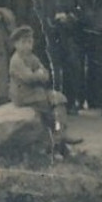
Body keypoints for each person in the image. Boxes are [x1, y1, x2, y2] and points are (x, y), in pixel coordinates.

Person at [8, 25, 71, 154]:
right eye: (23, 42)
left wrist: (39, 74)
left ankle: (61, 135)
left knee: (59, 99)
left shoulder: (32, 57)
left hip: (35, 93)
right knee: (49, 109)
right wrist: (38, 74)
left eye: (30, 42)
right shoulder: (16, 60)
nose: (27, 46)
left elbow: (46, 74)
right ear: (16, 44)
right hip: (23, 96)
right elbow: (28, 77)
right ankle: (57, 139)